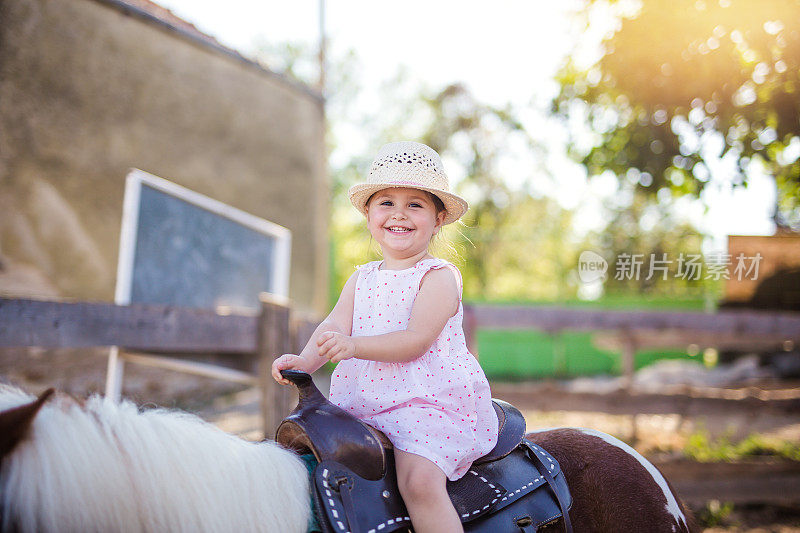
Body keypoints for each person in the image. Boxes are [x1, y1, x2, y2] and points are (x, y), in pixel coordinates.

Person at [271, 141, 498, 533]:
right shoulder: (362, 278)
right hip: (366, 403)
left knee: (418, 482)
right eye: (386, 202)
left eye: (415, 204)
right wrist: (305, 361)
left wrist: (356, 346)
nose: (399, 214)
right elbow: (333, 327)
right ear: (369, 214)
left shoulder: (438, 276)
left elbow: (415, 339)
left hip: (425, 404)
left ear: (439, 217)